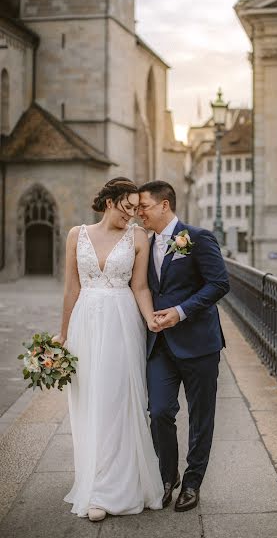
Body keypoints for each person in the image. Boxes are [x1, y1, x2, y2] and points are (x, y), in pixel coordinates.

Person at [54, 177, 164, 521]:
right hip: (85, 322)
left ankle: (113, 489)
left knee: (117, 399)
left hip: (121, 322)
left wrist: (151, 320)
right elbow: (71, 288)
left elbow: (141, 286)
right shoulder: (77, 235)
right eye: (127, 207)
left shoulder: (138, 238)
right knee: (89, 400)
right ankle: (94, 481)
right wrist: (62, 335)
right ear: (109, 203)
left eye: (137, 208)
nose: (132, 215)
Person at [138, 180, 230, 512]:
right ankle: (167, 476)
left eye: (144, 206)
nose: (139, 214)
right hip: (160, 345)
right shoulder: (144, 245)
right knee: (160, 411)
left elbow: (220, 283)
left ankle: (192, 482)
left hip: (199, 344)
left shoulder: (198, 237)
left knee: (201, 416)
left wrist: (180, 312)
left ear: (164, 205)